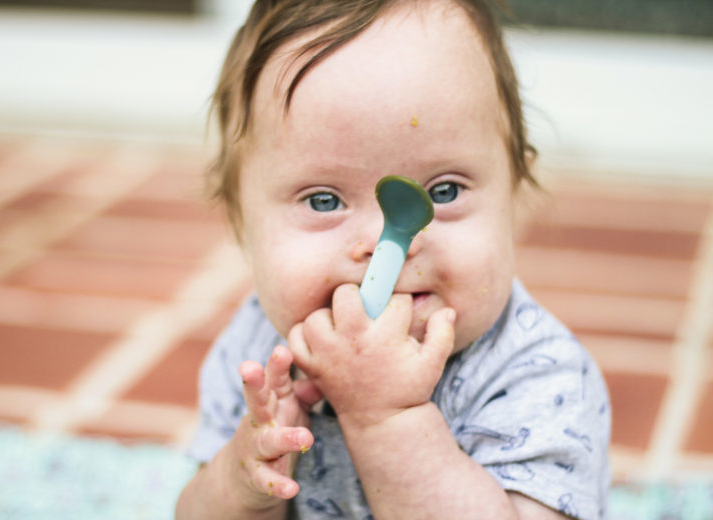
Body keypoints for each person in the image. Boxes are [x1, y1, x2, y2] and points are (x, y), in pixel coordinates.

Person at [176, 0, 610, 518]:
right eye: (323, 201)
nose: (389, 244)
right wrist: (240, 484)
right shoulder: (259, 355)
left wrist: (385, 421)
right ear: (241, 225)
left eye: (444, 191)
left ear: (513, 195)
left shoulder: (538, 377)